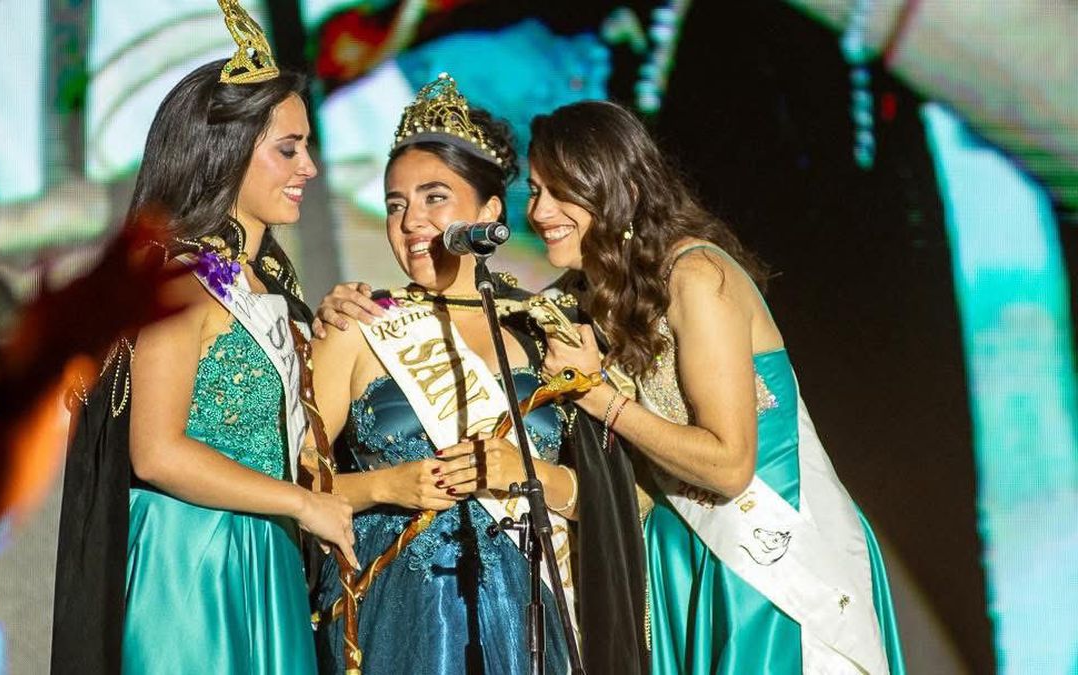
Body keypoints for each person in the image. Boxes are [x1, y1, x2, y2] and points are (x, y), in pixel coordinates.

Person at [528, 99, 905, 674]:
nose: (540, 211)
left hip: (768, 568)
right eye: (534, 191)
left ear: (621, 191)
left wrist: (600, 398)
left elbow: (730, 466)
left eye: (562, 192)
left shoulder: (698, 276)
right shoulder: (586, 294)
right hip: (681, 560)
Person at [50, 4, 356, 673]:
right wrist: (302, 504)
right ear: (227, 150)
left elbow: (298, 450)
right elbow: (157, 451)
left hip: (264, 553)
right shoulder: (179, 280)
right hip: (190, 558)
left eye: (307, 146)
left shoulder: (270, 285)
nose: (308, 166)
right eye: (288, 148)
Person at [308, 73, 586, 674]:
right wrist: (386, 486)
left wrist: (530, 474)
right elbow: (291, 483)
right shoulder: (358, 324)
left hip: (530, 617)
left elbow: (613, 501)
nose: (411, 220)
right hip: (397, 615)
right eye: (395, 204)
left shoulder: (548, 332)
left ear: (489, 212)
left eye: (434, 197)